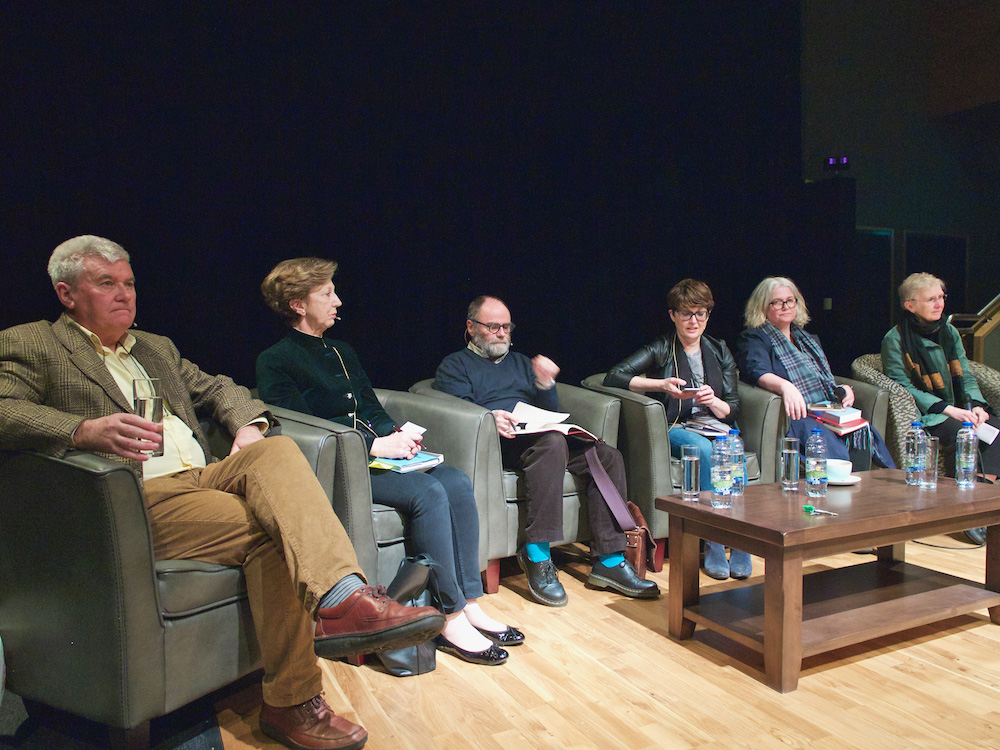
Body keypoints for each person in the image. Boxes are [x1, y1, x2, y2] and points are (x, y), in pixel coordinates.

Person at [0, 236, 447, 750]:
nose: (125, 295)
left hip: (204, 476)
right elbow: (4, 410)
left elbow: (222, 388)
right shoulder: (31, 344)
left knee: (277, 452)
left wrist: (248, 424)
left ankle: (342, 599)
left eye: (129, 283)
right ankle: (294, 699)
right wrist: (83, 430)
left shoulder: (155, 347)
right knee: (275, 533)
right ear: (66, 293)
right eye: (106, 284)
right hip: (129, 496)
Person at [256, 258, 520, 667]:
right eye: (326, 293)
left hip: (377, 455)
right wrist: (372, 446)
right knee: (430, 492)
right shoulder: (275, 359)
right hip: (341, 467)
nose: (337, 301)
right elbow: (299, 427)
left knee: (455, 481)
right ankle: (449, 618)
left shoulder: (342, 350)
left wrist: (398, 434)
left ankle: (470, 601)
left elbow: (370, 408)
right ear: (297, 304)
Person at [434, 295, 660, 606]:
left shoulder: (521, 362)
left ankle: (609, 561)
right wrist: (488, 417)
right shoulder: (455, 365)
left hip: (537, 437)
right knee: (552, 443)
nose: (501, 333)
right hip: (496, 443)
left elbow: (549, 410)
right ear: (471, 327)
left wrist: (544, 384)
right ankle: (537, 553)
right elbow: (454, 412)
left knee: (606, 455)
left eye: (506, 327)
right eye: (493, 327)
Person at [603, 279, 752, 580]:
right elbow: (614, 376)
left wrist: (715, 402)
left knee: (732, 450)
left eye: (700, 313)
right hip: (676, 425)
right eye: (686, 314)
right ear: (673, 315)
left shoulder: (719, 349)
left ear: (709, 315)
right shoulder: (661, 347)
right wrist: (661, 385)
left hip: (713, 422)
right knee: (706, 450)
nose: (693, 321)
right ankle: (713, 543)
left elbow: (732, 408)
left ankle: (742, 545)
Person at [881, 272, 999, 545]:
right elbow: (902, 387)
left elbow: (966, 374)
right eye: (931, 299)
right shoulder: (896, 339)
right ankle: (970, 513)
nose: (939, 304)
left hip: (959, 407)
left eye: (941, 298)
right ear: (910, 305)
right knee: (962, 432)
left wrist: (977, 406)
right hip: (929, 414)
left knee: (995, 427)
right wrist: (948, 409)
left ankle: (977, 504)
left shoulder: (950, 331)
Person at [736, 276, 894, 469]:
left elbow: (822, 377)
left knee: (863, 431)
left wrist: (842, 389)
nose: (785, 306)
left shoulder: (807, 339)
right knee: (826, 442)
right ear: (763, 307)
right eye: (777, 302)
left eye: (790, 300)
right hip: (793, 414)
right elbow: (756, 371)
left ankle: (879, 488)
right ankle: (840, 490)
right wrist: (785, 386)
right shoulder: (755, 338)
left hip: (822, 408)